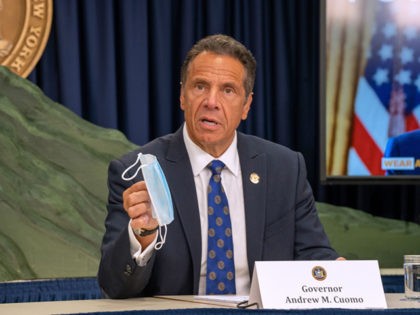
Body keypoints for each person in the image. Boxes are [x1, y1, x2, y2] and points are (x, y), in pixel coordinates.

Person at [98, 34, 340, 299]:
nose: (211, 102)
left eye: (228, 90)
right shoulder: (138, 171)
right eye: (200, 86)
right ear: (182, 96)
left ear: (246, 105)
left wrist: (336, 274)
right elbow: (114, 286)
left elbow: (314, 258)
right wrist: (141, 238)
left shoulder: (285, 169)